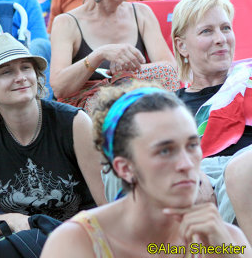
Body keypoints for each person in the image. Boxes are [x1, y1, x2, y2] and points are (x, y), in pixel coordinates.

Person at [40, 84, 252, 258]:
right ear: (124, 168)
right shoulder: (76, 243)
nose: (186, 163)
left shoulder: (223, 238)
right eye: (165, 150)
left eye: (192, 145)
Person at [0, 33, 106, 233]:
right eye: (6, 72)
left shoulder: (74, 122)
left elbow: (108, 204)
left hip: (81, 236)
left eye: (26, 68)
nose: (21, 77)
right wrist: (12, 221)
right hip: (23, 241)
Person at [172, 0, 252, 242]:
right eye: (207, 31)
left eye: (225, 28)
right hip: (201, 192)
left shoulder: (248, 82)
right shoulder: (168, 107)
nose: (221, 39)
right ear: (182, 46)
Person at [50, 0, 177, 112]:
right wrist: (98, 55)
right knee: (107, 101)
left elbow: (170, 67)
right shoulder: (66, 23)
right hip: (93, 106)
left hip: (137, 94)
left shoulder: (141, 13)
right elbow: (59, 88)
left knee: (165, 74)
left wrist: (122, 75)